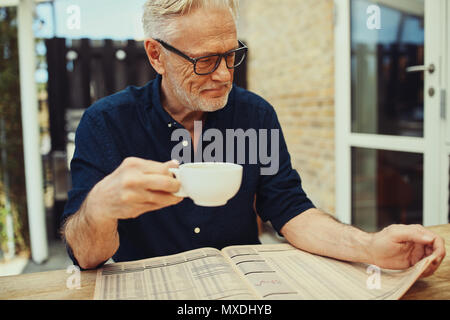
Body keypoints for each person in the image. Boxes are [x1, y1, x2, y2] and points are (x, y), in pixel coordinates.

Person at [61, 0, 445, 278]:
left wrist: (370, 247)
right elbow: (86, 256)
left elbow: (291, 209)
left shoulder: (255, 114)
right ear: (156, 55)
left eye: (232, 55)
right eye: (205, 61)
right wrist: (100, 208)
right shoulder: (106, 123)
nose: (226, 75)